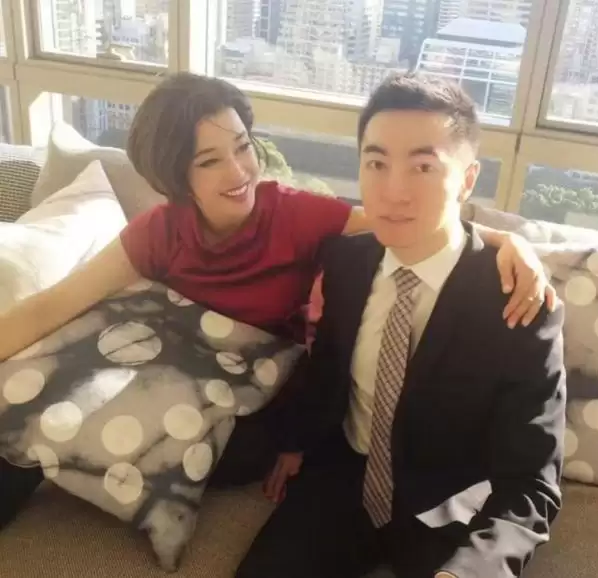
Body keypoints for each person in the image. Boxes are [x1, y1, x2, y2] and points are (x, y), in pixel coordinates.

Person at [0, 72, 554, 531]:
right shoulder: (159, 232)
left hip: (252, 400)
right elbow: (53, 306)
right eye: (209, 161)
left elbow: (408, 225)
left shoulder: (294, 214)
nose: (239, 172)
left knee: (230, 452)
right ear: (175, 175)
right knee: (29, 403)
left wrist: (510, 242)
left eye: (243, 147)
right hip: (166, 371)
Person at [236, 74, 566, 578]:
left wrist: (471, 571)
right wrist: (295, 440)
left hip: (452, 503)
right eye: (376, 163)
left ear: (467, 180)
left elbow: (532, 482)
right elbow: (328, 366)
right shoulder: (346, 262)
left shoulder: (519, 301)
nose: (394, 192)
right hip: (342, 478)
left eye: (423, 167)